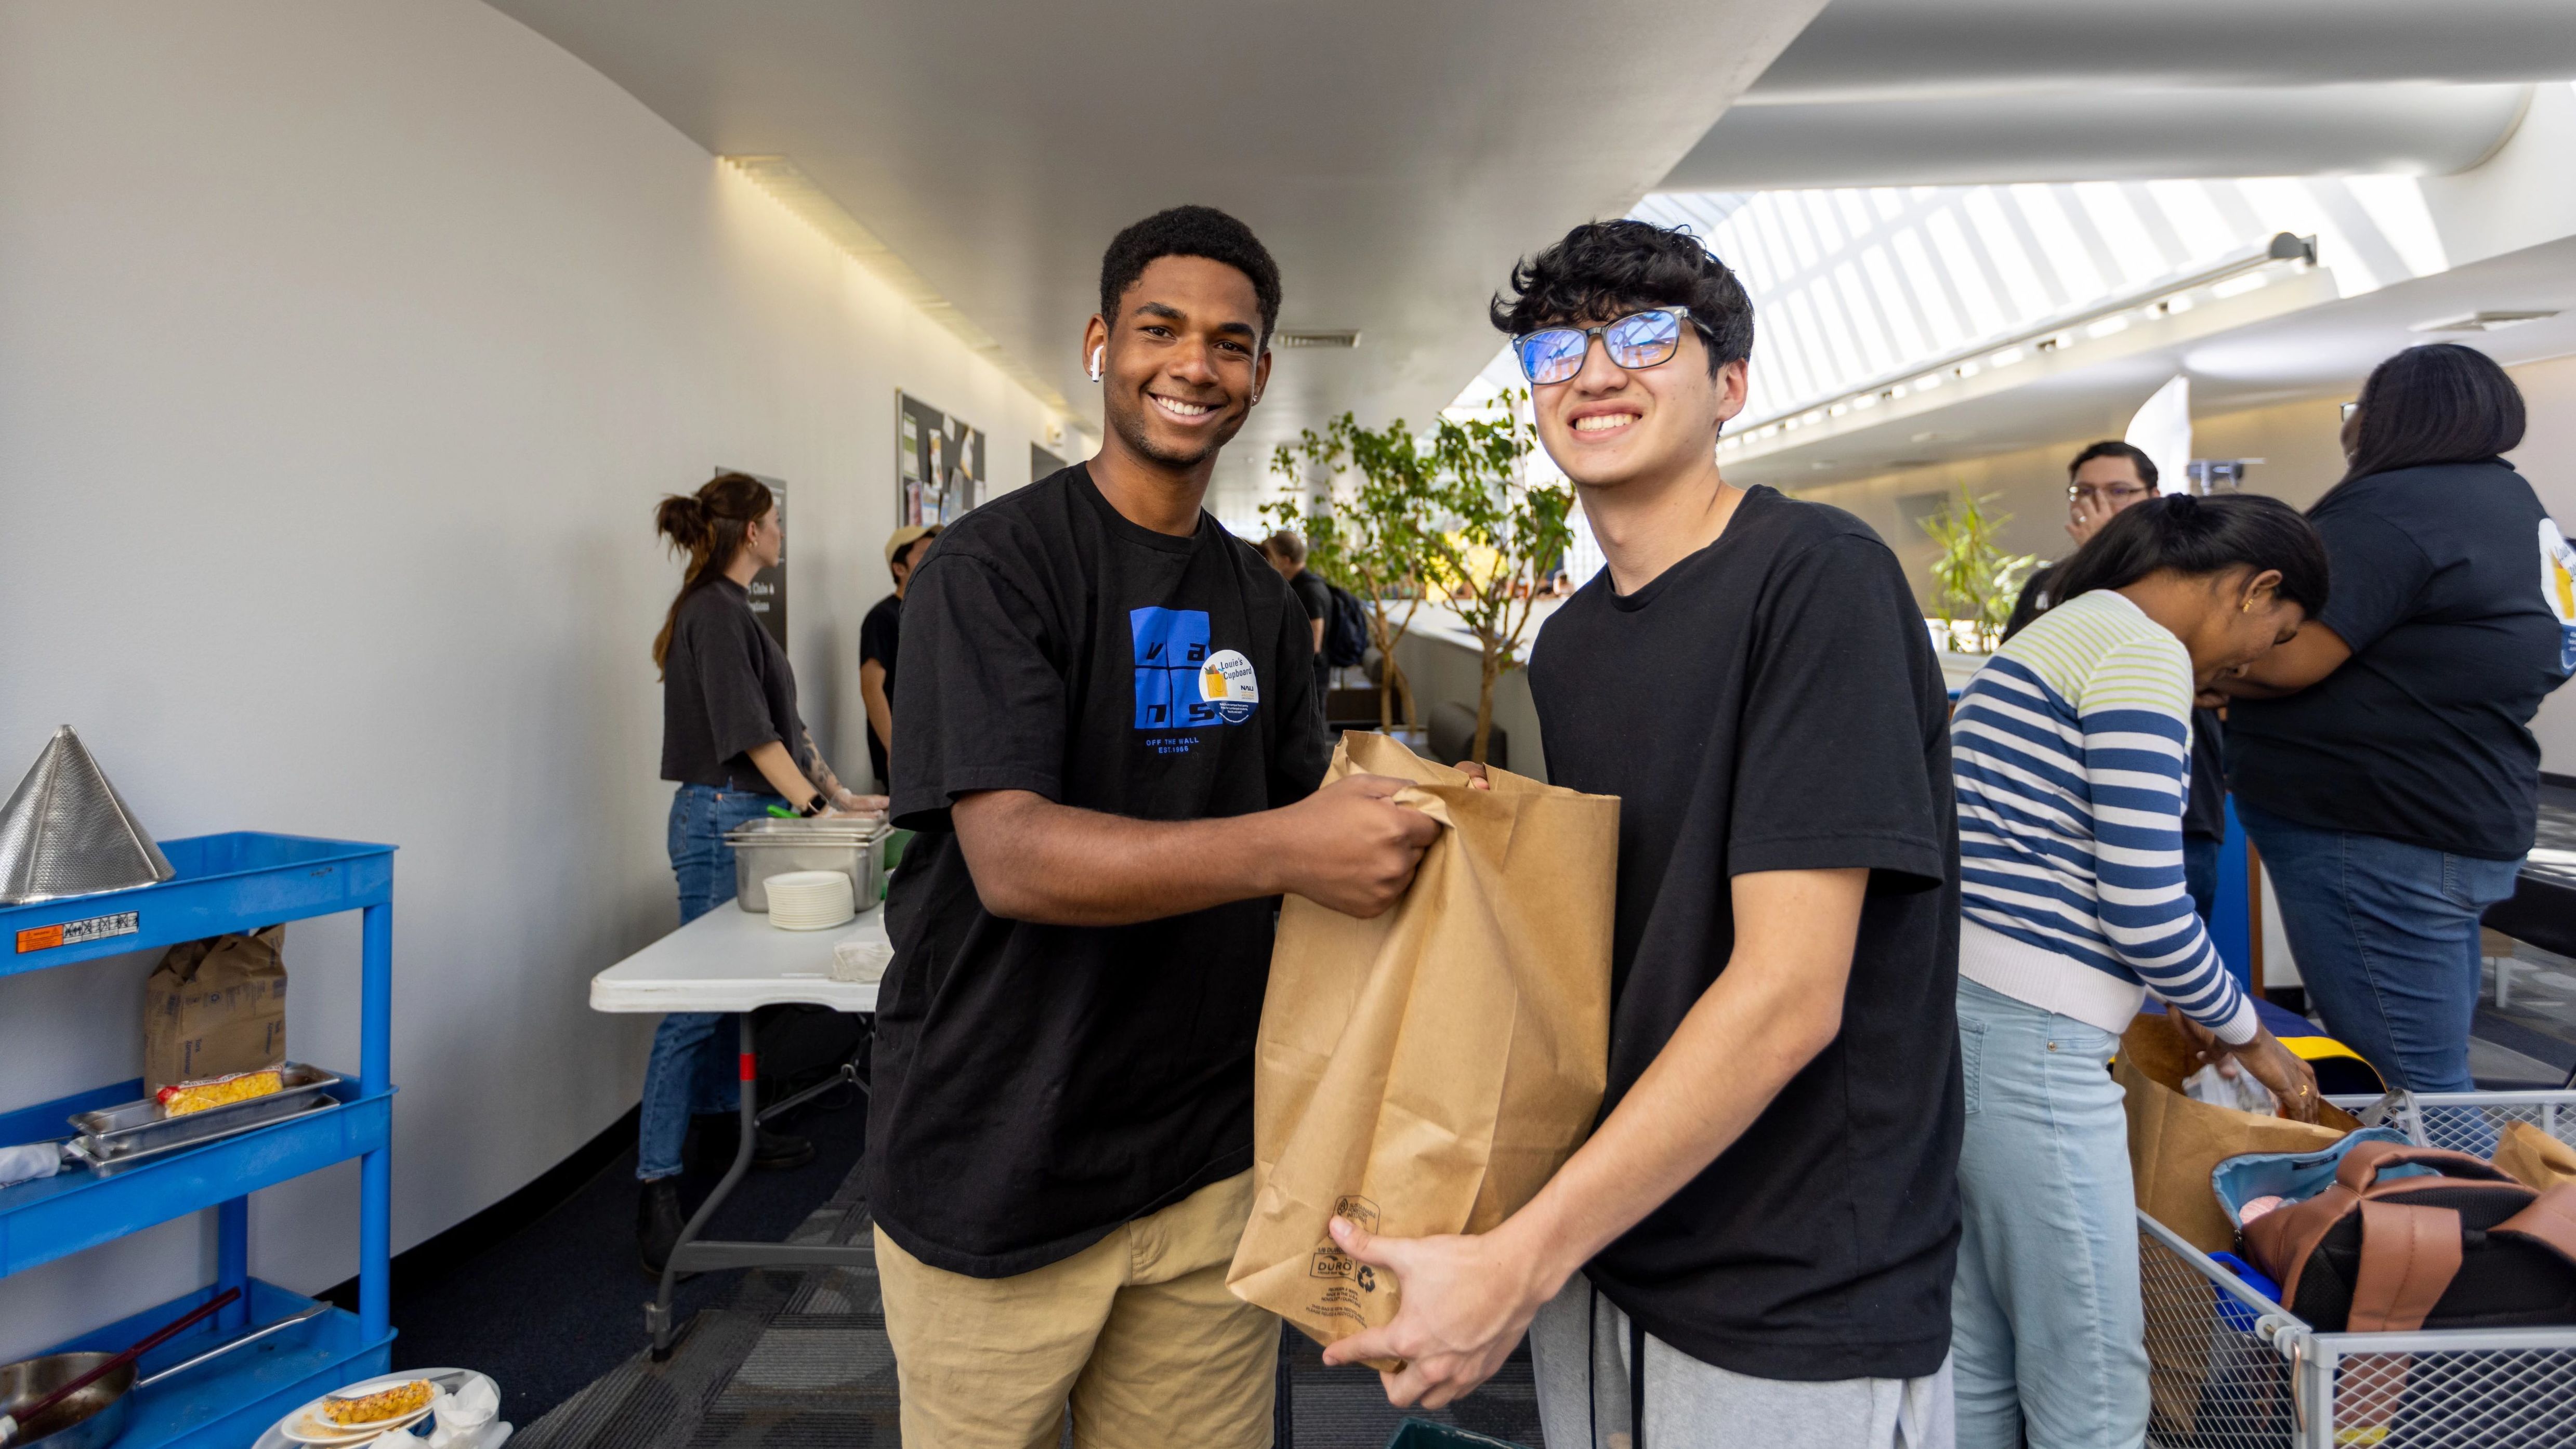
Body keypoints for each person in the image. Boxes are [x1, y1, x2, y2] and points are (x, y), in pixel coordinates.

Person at [1318, 219, 1963, 1448]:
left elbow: (1789, 993)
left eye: (1647, 335)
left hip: (1795, 1265)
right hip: (1619, 1222)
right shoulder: (1573, 643)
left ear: (1731, 384)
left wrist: (1518, 1260)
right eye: (1559, 347)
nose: (1596, 371)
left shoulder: (1817, 577)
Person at [869, 205, 1441, 1448]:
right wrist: (1291, 846)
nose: (1194, 364)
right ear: (1100, 343)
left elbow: (1306, 821)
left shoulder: (1257, 595)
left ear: (1260, 377)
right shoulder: (990, 570)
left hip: (1205, 1161)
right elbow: (1011, 856)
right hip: (1001, 1153)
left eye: (1230, 344)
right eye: (1161, 329)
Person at [1950, 494, 2327, 1449]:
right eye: (2258, 645)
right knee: (2095, 1371)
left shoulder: (2065, 629)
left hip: (1964, 1013)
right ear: (2257, 588)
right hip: (2036, 1038)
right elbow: (2147, 905)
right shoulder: (2143, 651)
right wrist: (2254, 1034)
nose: (2236, 674)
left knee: (1979, 1355)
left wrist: (2175, 992)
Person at [2225, 343, 2567, 1095]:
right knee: (2430, 1065)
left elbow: (2285, 658)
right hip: (2453, 814)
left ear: (2389, 416)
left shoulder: (2393, 508)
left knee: (2407, 1088)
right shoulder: (2515, 506)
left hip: (2377, 831)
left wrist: (2193, 663)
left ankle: (2455, 1210)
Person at [643, 471, 874, 1274]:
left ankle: (723, 1124)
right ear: (751, 532)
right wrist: (818, 814)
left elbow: (789, 726)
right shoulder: (713, 611)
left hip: (738, 812)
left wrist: (844, 797)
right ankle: (657, 1185)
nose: (782, 533)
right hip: (717, 816)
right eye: (775, 521)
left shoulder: (736, 611)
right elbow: (752, 738)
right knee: (692, 1000)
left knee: (727, 990)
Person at [2004, 442, 2232, 928]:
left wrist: (2107, 559)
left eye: (2118, 491)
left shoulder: (2193, 582)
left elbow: (2198, 672)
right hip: (2061, 819)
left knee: (2169, 966)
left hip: (2178, 817)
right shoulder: (2046, 586)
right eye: (2083, 491)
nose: (2099, 504)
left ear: (2154, 497)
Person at [860, 522, 940, 791]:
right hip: (906, 754)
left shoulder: (932, 610)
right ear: (899, 568)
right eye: (924, 553)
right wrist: (897, 751)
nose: (934, 559)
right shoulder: (883, 617)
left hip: (938, 750)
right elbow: (872, 689)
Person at [1260, 528, 1332, 702]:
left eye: (1273, 558)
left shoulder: (1309, 590)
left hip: (1311, 677)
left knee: (1313, 726)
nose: (1270, 563)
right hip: (1308, 676)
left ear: (1285, 561)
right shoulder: (1306, 585)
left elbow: (1314, 644)